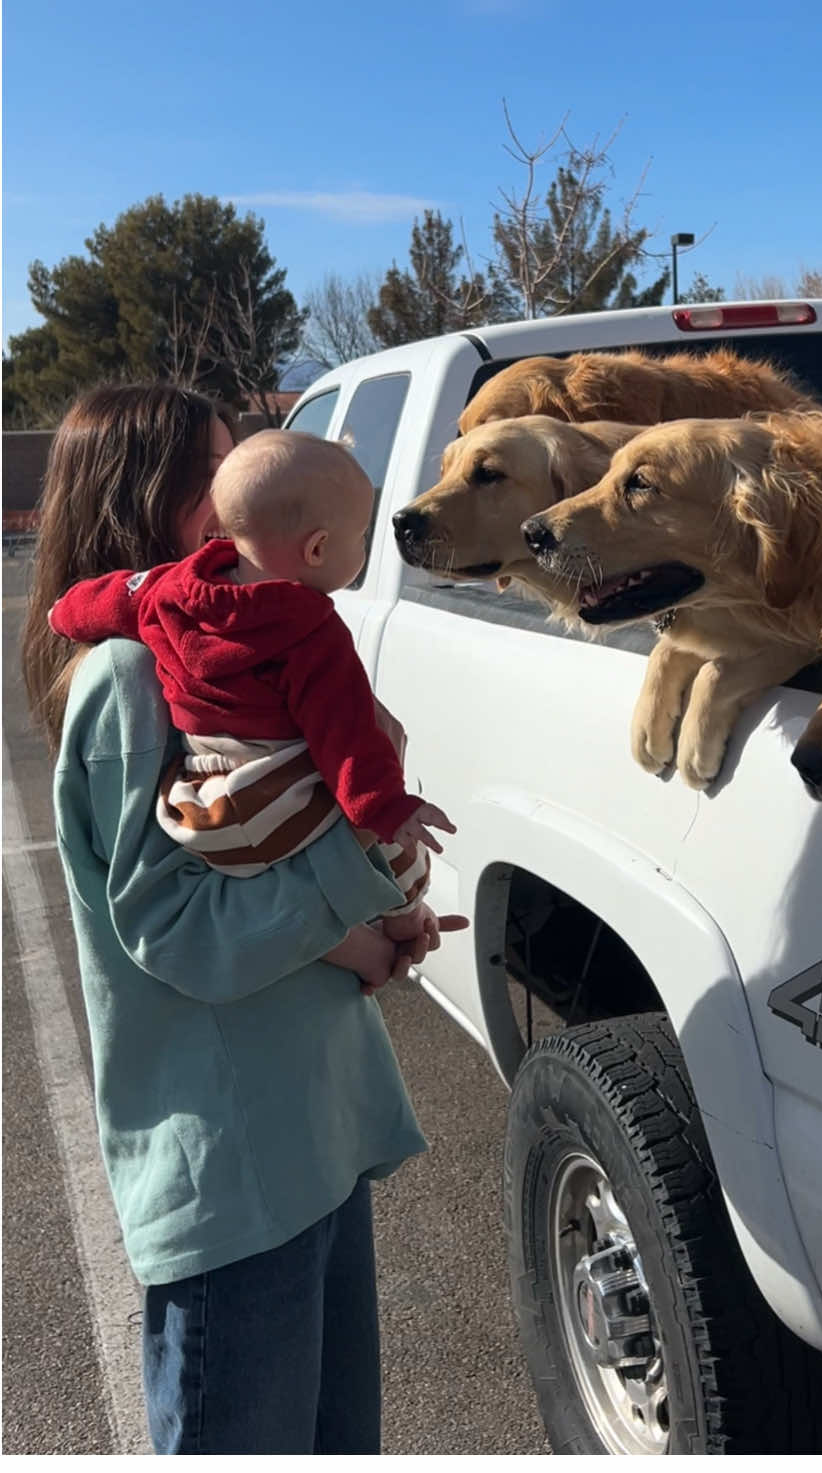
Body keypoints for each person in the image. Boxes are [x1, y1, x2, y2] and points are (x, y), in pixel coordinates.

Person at [21, 384, 466, 1454]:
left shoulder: (238, 647)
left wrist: (369, 941)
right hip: (230, 1173)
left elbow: (251, 887)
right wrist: (358, 898)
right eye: (216, 480)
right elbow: (175, 930)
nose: (233, 511)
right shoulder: (134, 675)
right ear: (158, 504)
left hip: (304, 1140)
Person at [47, 429, 451, 966]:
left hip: (197, 806)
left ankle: (366, 937)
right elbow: (346, 737)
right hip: (271, 794)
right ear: (318, 548)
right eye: (360, 537)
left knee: (329, 842)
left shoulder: (169, 590)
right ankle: (407, 921)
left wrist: (61, 614)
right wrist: (386, 805)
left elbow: (107, 597)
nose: (364, 548)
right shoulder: (312, 631)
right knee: (394, 843)